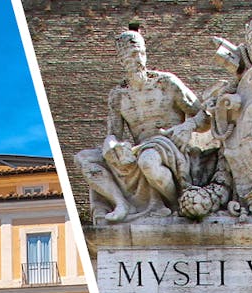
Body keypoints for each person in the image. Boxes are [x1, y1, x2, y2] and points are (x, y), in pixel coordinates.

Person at [76, 25, 201, 222]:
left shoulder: (166, 83)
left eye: (138, 54)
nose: (136, 61)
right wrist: (112, 145)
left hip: (169, 146)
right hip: (137, 149)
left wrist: (187, 127)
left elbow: (205, 115)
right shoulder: (118, 96)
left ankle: (176, 203)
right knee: (84, 159)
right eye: (129, 57)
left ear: (145, 54)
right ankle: (121, 204)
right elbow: (114, 133)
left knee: (147, 161)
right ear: (121, 61)